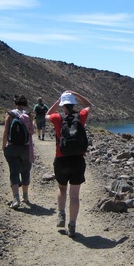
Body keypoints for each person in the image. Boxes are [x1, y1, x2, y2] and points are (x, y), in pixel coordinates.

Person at [46, 90, 93, 237]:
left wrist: (58, 100)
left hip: (61, 159)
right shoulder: (81, 116)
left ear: (62, 105)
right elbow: (89, 105)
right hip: (77, 160)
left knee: (62, 188)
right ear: (73, 104)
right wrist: (75, 93)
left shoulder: (57, 118)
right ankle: (72, 226)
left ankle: (61, 214)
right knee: (74, 196)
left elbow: (46, 114)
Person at [3, 95, 35, 209]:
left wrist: (4, 146)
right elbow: (32, 131)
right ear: (25, 103)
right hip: (26, 147)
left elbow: (6, 131)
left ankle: (16, 199)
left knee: (14, 171)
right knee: (26, 171)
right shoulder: (29, 115)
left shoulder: (10, 114)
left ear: (15, 103)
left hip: (12, 147)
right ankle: (25, 196)